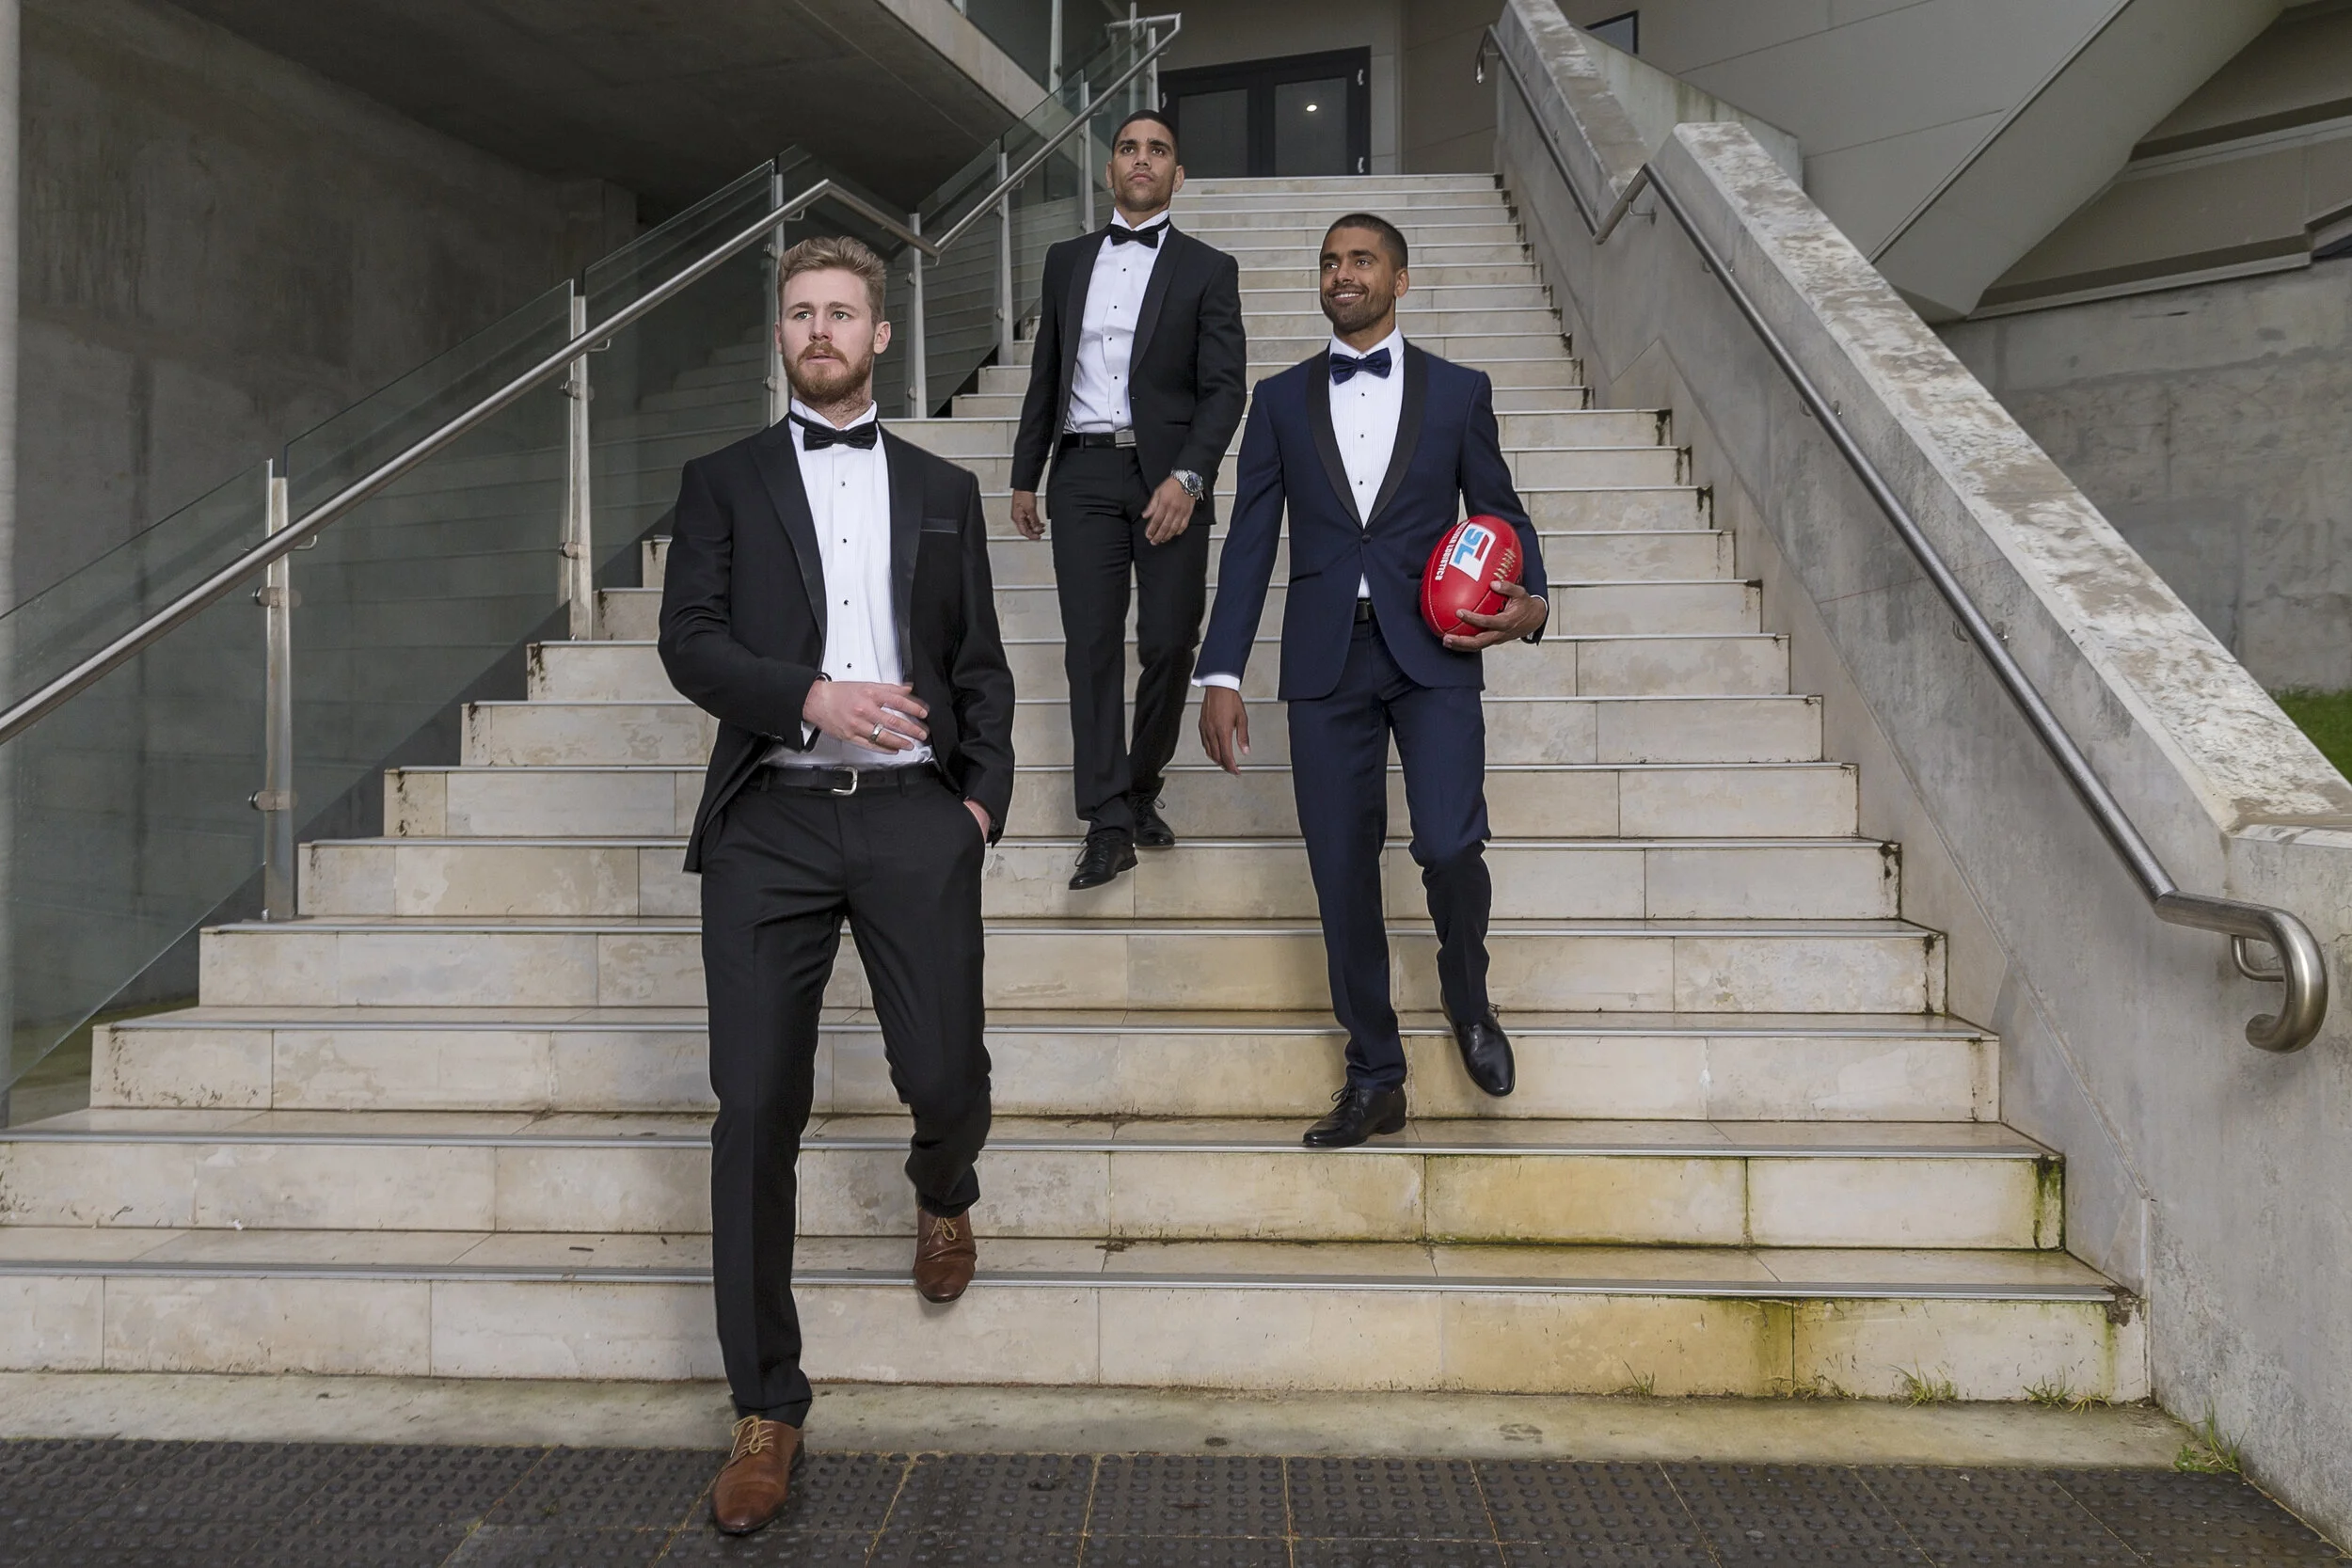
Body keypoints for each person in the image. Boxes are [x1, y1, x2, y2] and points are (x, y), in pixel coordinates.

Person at [658, 234, 1014, 1535]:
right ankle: (766, 1404)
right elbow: (689, 641)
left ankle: (944, 1187)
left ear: (879, 334)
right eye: (801, 311)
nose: (821, 329)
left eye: (842, 312)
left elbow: (980, 662)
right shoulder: (722, 481)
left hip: (918, 812)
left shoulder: (942, 486)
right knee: (755, 1106)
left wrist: (978, 805)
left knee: (945, 1073)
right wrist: (809, 694)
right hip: (772, 823)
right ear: (782, 334)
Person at [1195, 214, 1550, 1149]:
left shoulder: (1458, 392)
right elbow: (1248, 541)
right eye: (1329, 261)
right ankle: (1375, 1074)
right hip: (1325, 661)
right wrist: (1221, 669)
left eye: (1361, 260)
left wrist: (1533, 602)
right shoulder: (1277, 400)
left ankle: (1467, 997)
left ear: (1400, 279)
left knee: (1448, 843)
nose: (1341, 274)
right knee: (1341, 868)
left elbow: (1501, 512)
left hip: (1436, 651)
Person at [1009, 109, 1247, 889]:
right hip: (1080, 473)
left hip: (1169, 478)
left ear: (1177, 175)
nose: (1142, 159)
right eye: (1128, 148)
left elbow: (1224, 389)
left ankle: (1141, 784)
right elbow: (1047, 370)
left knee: (1171, 641)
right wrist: (1025, 472)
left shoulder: (1209, 268)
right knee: (1091, 647)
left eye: (1158, 150)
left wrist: (1190, 477)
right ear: (1110, 169)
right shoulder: (1065, 260)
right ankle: (1108, 821)